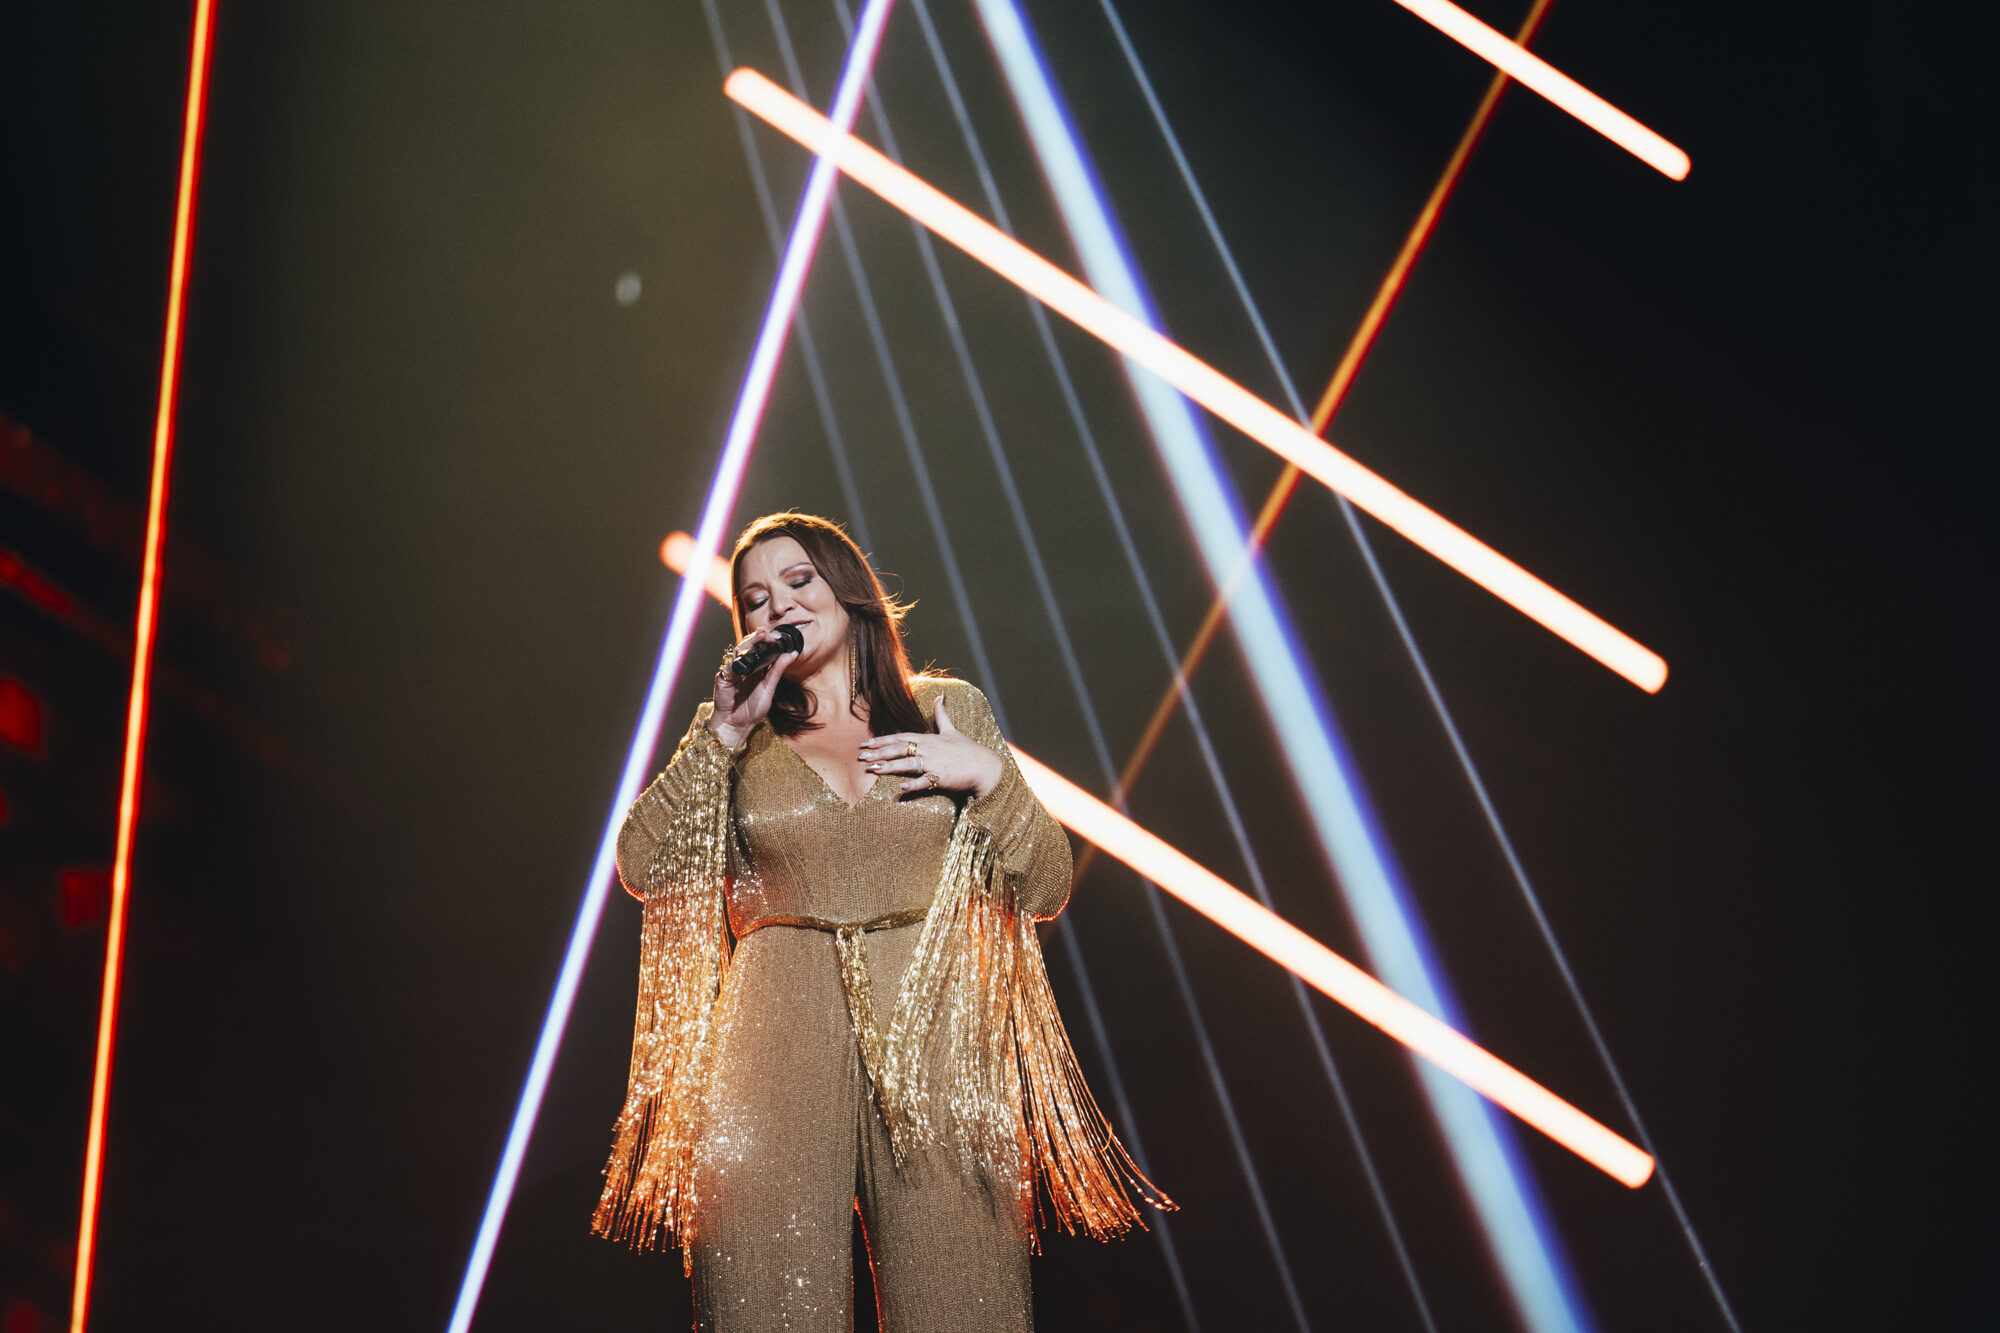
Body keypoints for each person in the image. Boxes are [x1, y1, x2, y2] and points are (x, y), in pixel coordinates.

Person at [593, 512, 1166, 1331]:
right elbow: (644, 865)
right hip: (770, 1047)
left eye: (798, 581)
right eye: (752, 600)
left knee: (966, 1307)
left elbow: (1044, 883)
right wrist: (721, 730)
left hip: (939, 1045)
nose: (775, 607)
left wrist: (987, 777)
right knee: (765, 1310)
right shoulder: (738, 738)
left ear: (850, 589)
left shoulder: (946, 707)